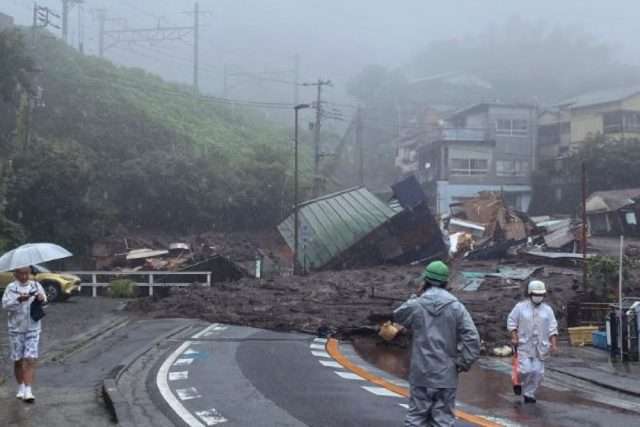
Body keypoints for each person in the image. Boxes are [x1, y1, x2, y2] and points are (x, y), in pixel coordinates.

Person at [394, 260, 480, 427]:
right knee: (443, 421)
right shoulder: (456, 307)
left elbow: (399, 315)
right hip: (446, 375)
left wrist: (415, 296)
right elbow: (472, 337)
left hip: (421, 372)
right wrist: (464, 362)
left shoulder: (417, 304)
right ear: (446, 282)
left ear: (425, 280)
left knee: (416, 418)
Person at [507, 280, 558, 404]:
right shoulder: (520, 307)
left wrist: (554, 344)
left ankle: (529, 393)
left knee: (538, 372)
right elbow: (512, 321)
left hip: (541, 346)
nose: (538, 296)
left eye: (541, 294)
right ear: (530, 294)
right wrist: (514, 336)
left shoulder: (548, 310)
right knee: (525, 370)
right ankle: (517, 381)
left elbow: (552, 327)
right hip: (524, 344)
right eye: (536, 294)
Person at [1, 266, 47, 403]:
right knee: (18, 360)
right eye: (21, 273)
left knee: (30, 358)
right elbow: (5, 305)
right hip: (16, 329)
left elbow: (44, 303)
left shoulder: (36, 285)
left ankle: (28, 390)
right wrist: (18, 300)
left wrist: (41, 298)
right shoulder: (11, 287)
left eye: (26, 273)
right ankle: (21, 386)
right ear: (15, 274)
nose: (24, 276)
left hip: (33, 327)